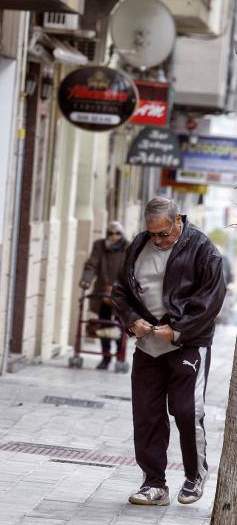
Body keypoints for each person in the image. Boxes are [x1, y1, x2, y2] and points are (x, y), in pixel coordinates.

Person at [112, 197, 226, 508]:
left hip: (187, 342)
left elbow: (211, 299)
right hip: (148, 345)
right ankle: (154, 483)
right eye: (153, 234)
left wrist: (178, 330)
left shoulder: (203, 249)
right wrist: (131, 319)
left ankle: (194, 475)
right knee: (147, 414)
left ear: (178, 222)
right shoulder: (138, 246)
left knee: (187, 411)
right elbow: (120, 289)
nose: (159, 240)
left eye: (165, 233)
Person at [80, 221, 128, 369]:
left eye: (117, 233)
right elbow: (92, 264)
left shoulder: (128, 247)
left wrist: (117, 286)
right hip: (102, 294)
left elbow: (131, 270)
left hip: (120, 294)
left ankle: (120, 357)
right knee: (104, 325)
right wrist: (86, 280)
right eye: (110, 233)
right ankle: (106, 357)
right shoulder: (99, 245)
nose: (114, 236)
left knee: (120, 326)